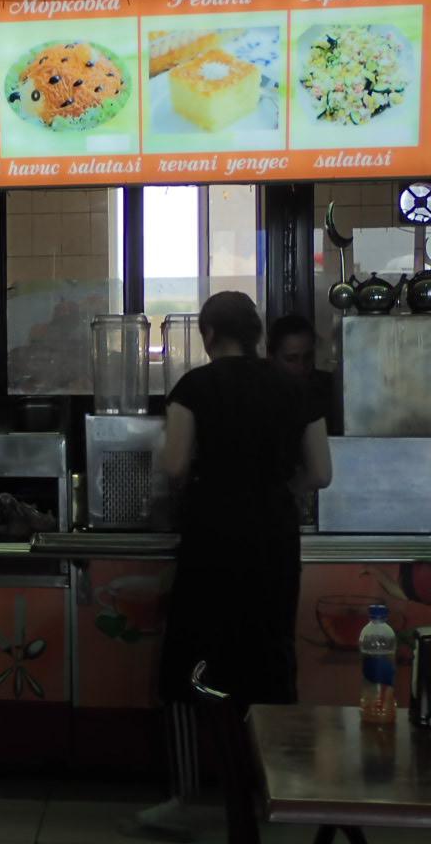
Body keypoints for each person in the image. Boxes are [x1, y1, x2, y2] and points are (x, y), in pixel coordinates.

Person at [129, 293, 332, 841]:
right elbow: (321, 473)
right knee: (269, 661)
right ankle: (276, 792)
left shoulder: (194, 387)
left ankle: (188, 799)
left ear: (210, 335)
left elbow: (175, 464)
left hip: (213, 539)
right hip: (273, 540)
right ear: (256, 334)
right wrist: (276, 488)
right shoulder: (296, 388)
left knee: (191, 665)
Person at [267, 314, 339, 434]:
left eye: (308, 357)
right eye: (291, 359)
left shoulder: (330, 388)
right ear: (272, 357)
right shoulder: (260, 396)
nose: (301, 367)